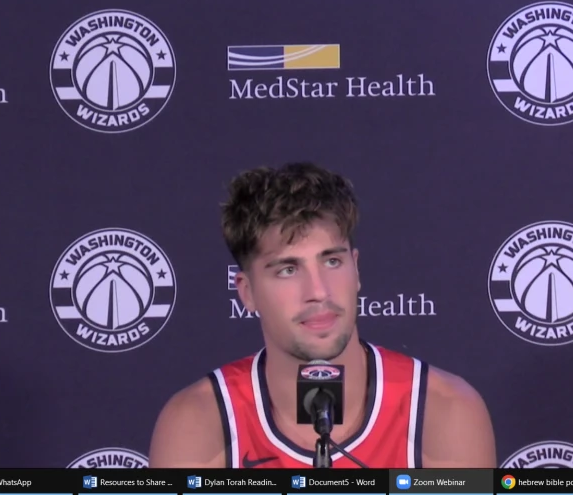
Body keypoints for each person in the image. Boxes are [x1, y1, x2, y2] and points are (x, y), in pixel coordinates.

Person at [148, 162, 496, 469]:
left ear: (356, 270)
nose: (318, 290)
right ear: (247, 292)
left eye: (332, 261)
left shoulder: (443, 410)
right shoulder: (198, 421)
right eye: (287, 270)